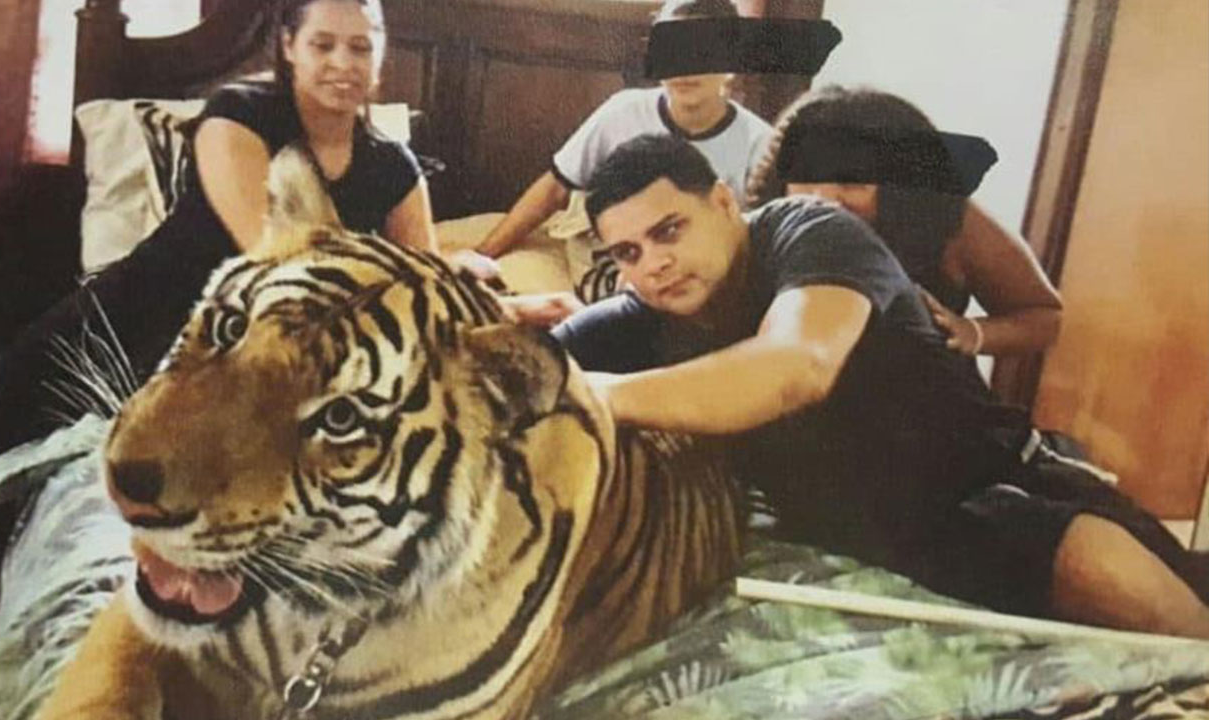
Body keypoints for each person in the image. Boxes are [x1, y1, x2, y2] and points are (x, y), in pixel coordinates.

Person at [0, 0, 454, 650]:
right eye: (324, 45)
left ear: (380, 58)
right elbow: (272, 258)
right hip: (138, 315)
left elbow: (426, 293)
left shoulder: (393, 168)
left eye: (361, 47)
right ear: (289, 47)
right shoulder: (239, 114)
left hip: (250, 359)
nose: (343, 64)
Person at [554, 134, 1209, 638]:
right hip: (880, 540)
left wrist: (599, 397)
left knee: (1153, 607)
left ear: (724, 203)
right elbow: (529, 369)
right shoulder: (643, 315)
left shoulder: (807, 230)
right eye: (628, 254)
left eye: (669, 230)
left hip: (998, 486)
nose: (654, 265)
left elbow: (797, 366)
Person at [477, 0, 773, 326]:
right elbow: (554, 189)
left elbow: (753, 247)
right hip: (615, 256)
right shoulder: (622, 113)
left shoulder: (761, 145)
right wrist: (481, 256)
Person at [747, 85, 1062, 357]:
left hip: (924, 401)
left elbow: (1045, 316)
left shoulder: (948, 219)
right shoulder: (760, 227)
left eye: (852, 182)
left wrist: (974, 333)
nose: (823, 198)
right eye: (806, 177)